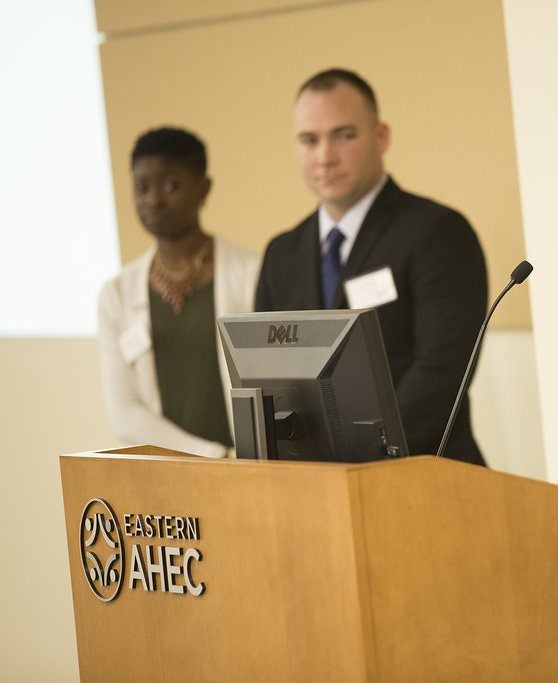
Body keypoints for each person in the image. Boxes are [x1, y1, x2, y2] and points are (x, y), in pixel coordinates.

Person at [255, 68, 488, 465]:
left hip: (422, 478)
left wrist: (352, 458)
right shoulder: (282, 253)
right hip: (311, 487)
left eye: (344, 135)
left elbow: (440, 374)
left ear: (381, 137)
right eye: (309, 140)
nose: (325, 157)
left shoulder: (438, 232)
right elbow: (263, 378)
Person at [98, 127, 260, 458]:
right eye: (142, 188)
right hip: (168, 476)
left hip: (249, 469)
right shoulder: (116, 295)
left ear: (204, 189)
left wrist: (234, 461)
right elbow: (124, 410)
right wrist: (212, 456)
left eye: (170, 186)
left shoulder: (252, 273)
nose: (153, 200)